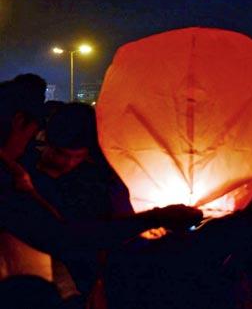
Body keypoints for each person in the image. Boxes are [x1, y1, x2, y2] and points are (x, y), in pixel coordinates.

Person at [0, 74, 203, 306]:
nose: (64, 162)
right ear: (20, 122)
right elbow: (63, 236)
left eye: (73, 156)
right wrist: (156, 218)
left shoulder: (94, 182)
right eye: (31, 134)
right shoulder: (13, 178)